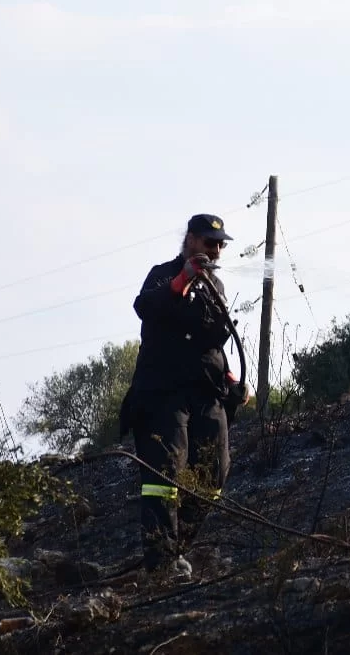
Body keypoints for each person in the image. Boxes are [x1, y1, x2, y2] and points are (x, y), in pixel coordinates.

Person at [119, 213, 248, 581]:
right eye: (210, 242)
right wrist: (183, 279)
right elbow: (145, 307)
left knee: (216, 470)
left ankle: (177, 549)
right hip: (162, 393)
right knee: (165, 473)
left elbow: (213, 337)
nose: (216, 249)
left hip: (206, 392)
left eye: (220, 244)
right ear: (190, 239)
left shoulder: (216, 286)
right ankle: (162, 565)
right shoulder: (162, 274)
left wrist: (229, 376)